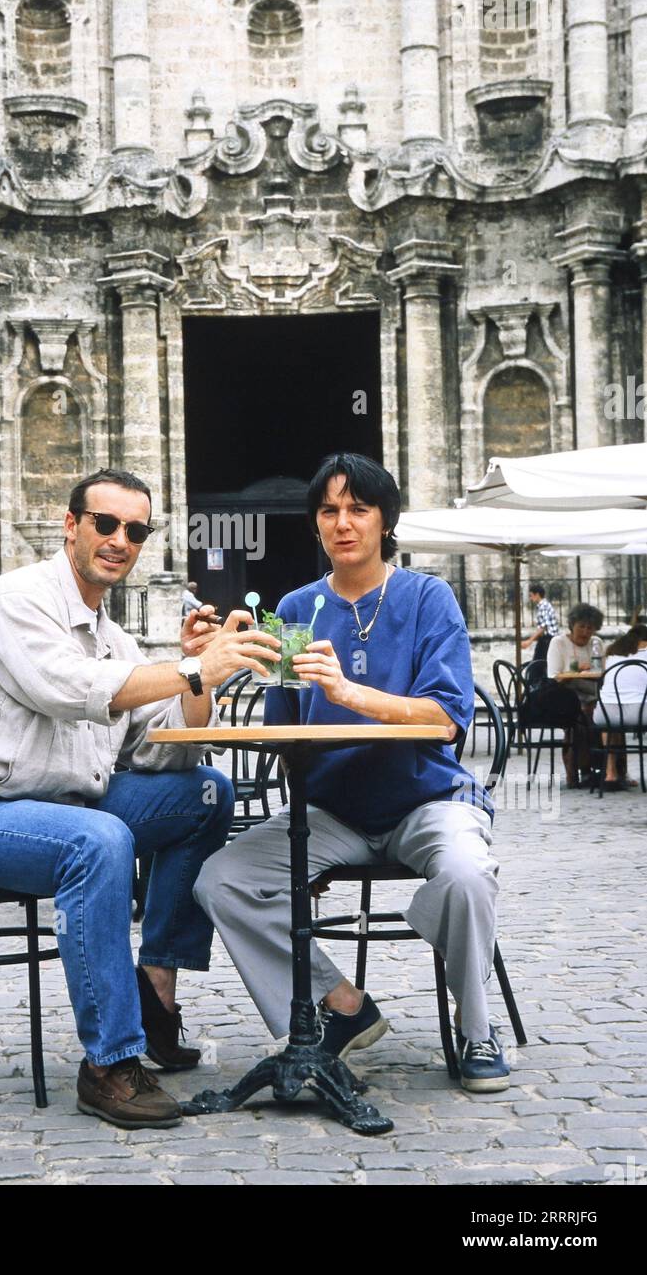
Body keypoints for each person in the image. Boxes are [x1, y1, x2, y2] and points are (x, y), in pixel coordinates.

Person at [0, 468, 279, 1129]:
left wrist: (193, 670)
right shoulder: (18, 599)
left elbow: (163, 746)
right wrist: (194, 667)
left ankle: (156, 992)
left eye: (135, 530)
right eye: (105, 524)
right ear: (70, 526)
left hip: (66, 810)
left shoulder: (112, 638)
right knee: (99, 840)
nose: (119, 540)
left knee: (206, 792)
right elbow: (66, 687)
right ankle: (108, 1065)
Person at [195, 452, 510, 1094]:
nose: (343, 523)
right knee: (221, 878)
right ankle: (342, 1004)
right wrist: (219, 668)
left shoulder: (428, 597)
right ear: (316, 525)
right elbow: (285, 735)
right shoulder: (295, 605)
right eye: (329, 511)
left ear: (385, 521)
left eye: (358, 509)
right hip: (332, 813)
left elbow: (446, 719)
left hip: (428, 800)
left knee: (466, 874)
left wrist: (350, 694)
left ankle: (477, 1028)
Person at [546, 603, 605, 789]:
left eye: (590, 627)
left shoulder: (597, 644)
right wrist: (576, 670)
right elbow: (554, 678)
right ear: (572, 625)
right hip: (564, 696)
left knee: (606, 716)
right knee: (580, 718)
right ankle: (582, 771)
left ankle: (611, 770)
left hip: (592, 695)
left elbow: (602, 673)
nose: (586, 631)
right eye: (582, 626)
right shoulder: (558, 642)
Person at [594, 623, 647, 791]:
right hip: (640, 713)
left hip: (605, 714)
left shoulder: (611, 655)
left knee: (610, 722)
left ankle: (611, 773)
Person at [521, 584, 559, 663]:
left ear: (537, 595)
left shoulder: (543, 606)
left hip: (547, 639)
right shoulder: (544, 606)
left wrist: (529, 641)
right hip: (548, 639)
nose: (530, 598)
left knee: (537, 665)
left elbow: (543, 627)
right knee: (541, 664)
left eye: (531, 596)